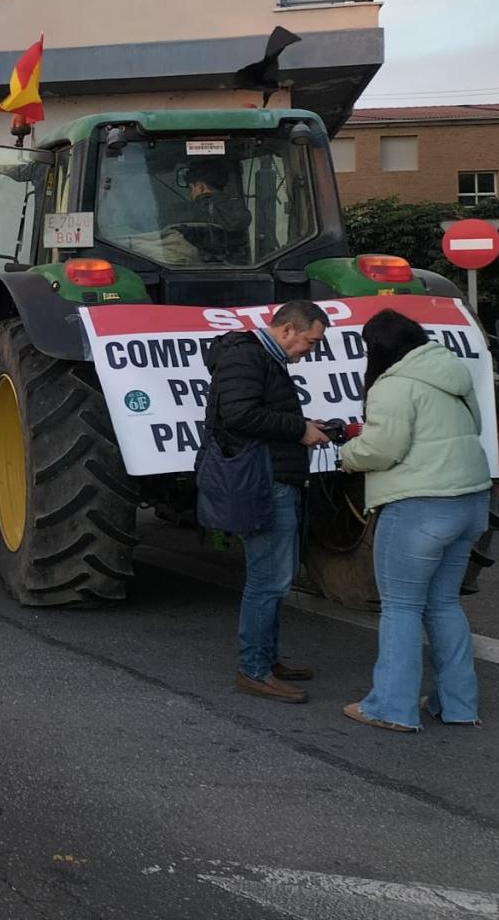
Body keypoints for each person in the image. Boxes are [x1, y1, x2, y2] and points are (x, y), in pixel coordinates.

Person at [338, 308, 491, 731]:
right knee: (443, 604)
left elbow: (383, 448)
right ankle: (459, 705)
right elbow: (475, 426)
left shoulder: (393, 384)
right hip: (471, 502)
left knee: (401, 608)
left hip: (420, 506)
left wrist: (347, 456)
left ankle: (391, 707)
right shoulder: (451, 373)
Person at [204, 299, 332, 703]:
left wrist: (307, 428)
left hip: (271, 477)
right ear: (287, 330)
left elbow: (253, 412)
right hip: (263, 481)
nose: (309, 351)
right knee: (268, 579)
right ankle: (255, 669)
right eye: (309, 342)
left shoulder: (258, 358)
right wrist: (299, 429)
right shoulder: (246, 356)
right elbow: (239, 415)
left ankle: (267, 659)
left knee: (276, 576)